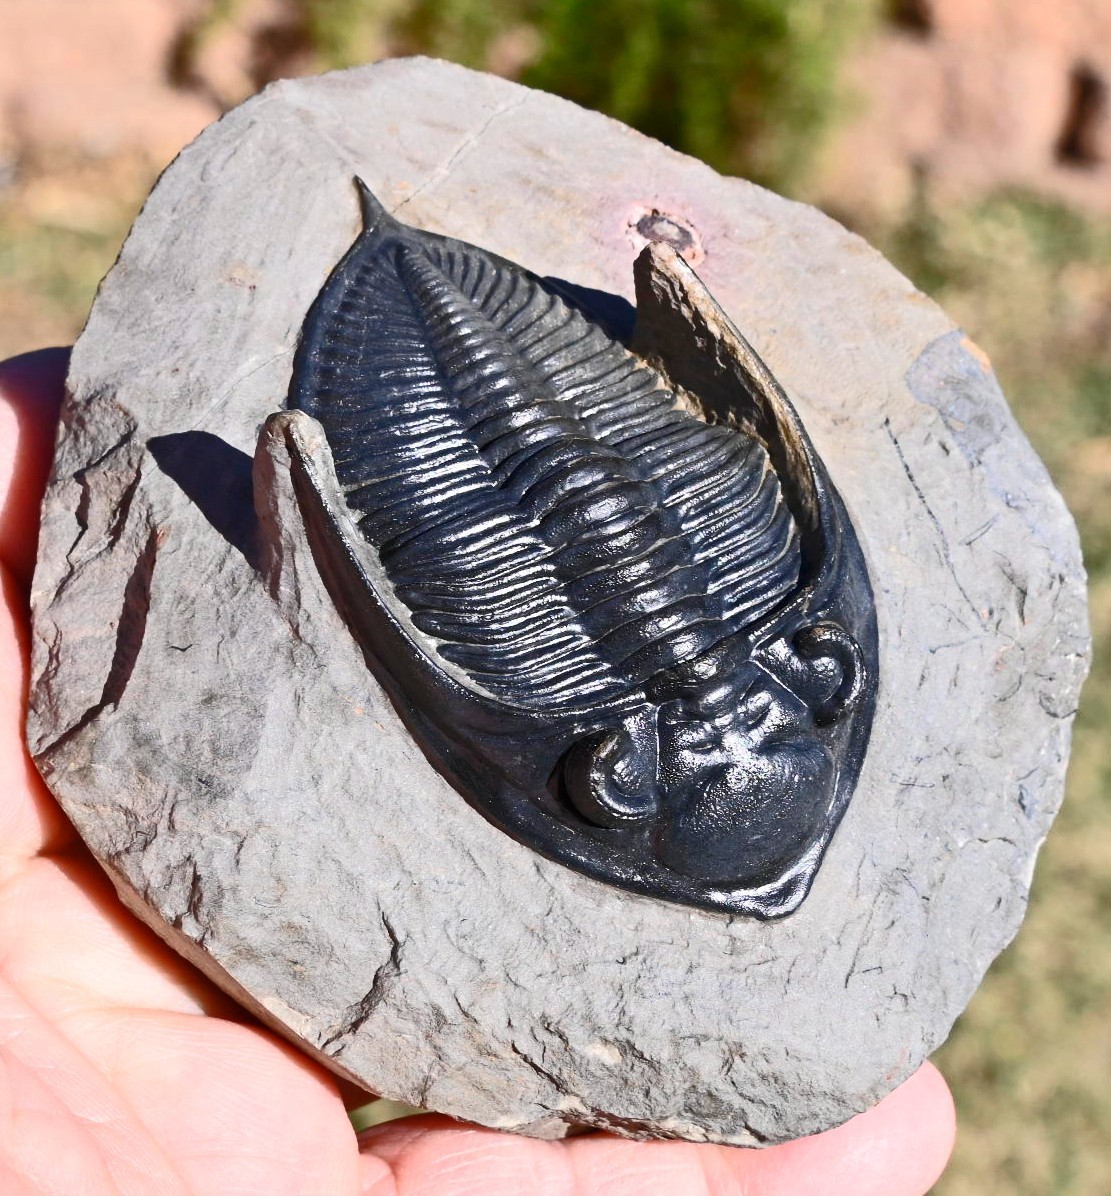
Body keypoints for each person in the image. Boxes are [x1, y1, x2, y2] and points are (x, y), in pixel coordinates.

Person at [0, 348, 955, 1195]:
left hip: (436, 440)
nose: (719, 722)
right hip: (495, 386)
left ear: (618, 782)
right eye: (759, 719)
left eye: (701, 749)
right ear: (813, 682)